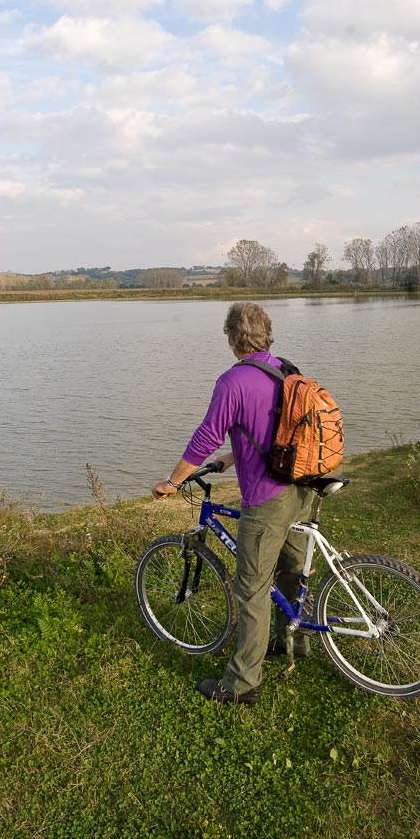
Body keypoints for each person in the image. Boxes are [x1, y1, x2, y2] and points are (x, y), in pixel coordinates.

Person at [152, 301, 312, 705]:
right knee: (291, 569)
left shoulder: (233, 381)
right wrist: (230, 458)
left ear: (231, 338)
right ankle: (291, 641)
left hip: (267, 496)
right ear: (266, 334)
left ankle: (241, 683)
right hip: (303, 486)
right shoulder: (286, 369)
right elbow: (274, 431)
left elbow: (207, 436)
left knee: (252, 589)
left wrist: (173, 481)